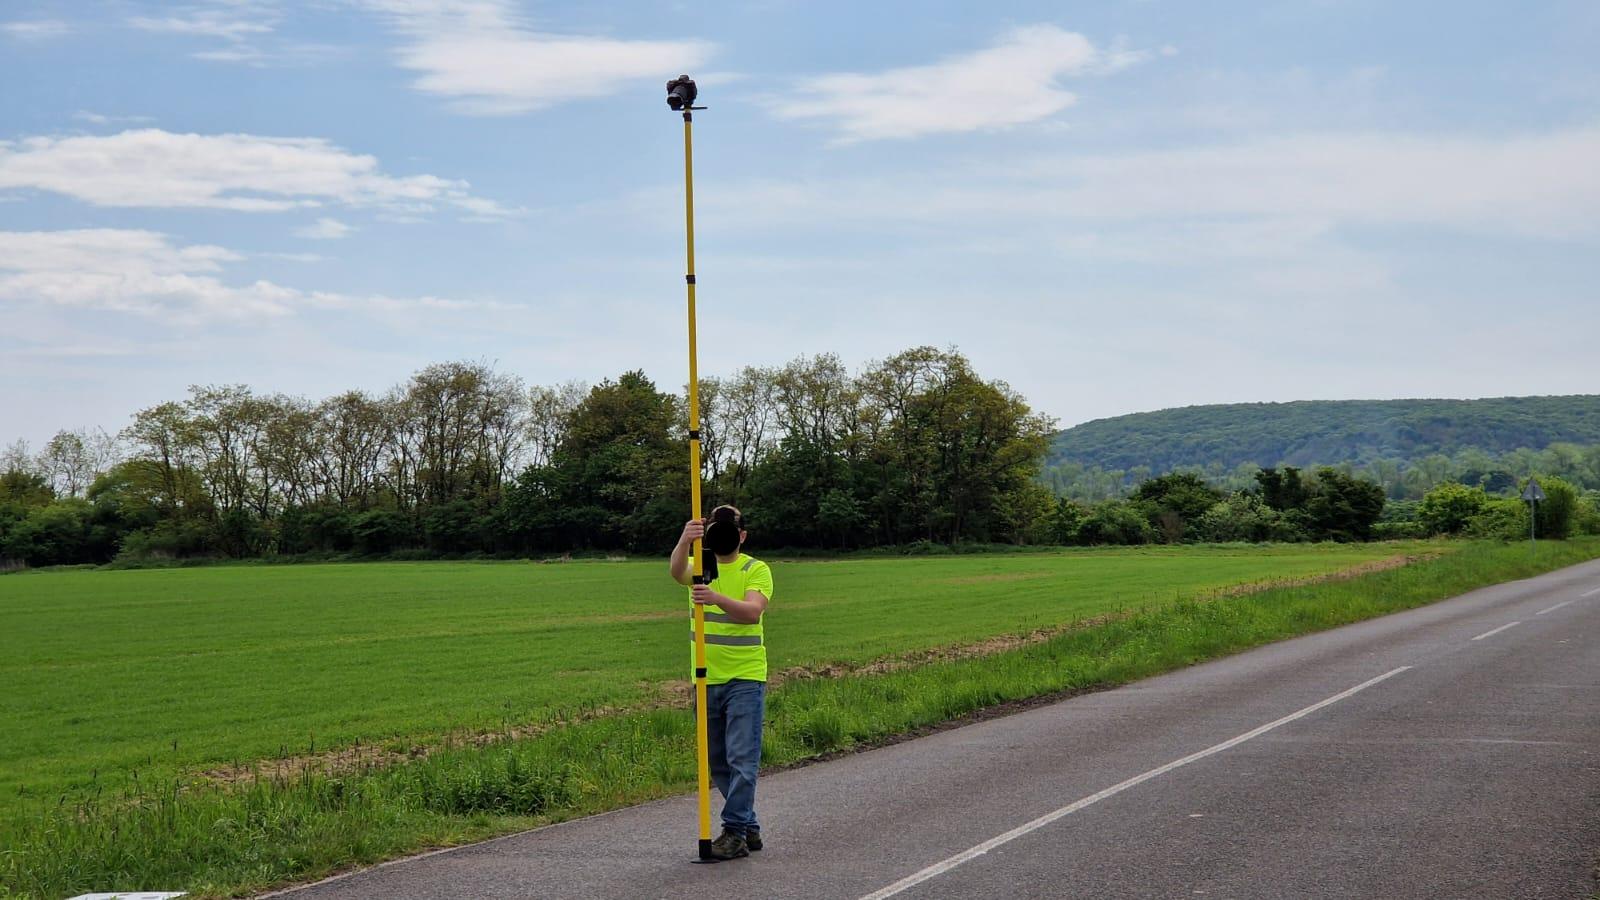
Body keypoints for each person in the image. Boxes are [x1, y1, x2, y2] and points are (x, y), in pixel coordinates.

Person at [669, 504, 773, 861]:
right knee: (718, 763)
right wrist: (686, 539)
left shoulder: (754, 569)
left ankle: (734, 832)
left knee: (742, 758)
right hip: (705, 677)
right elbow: (676, 571)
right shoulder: (701, 565)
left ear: (742, 535)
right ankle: (748, 825)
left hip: (745, 677)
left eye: (730, 529)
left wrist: (714, 598)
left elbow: (752, 612)